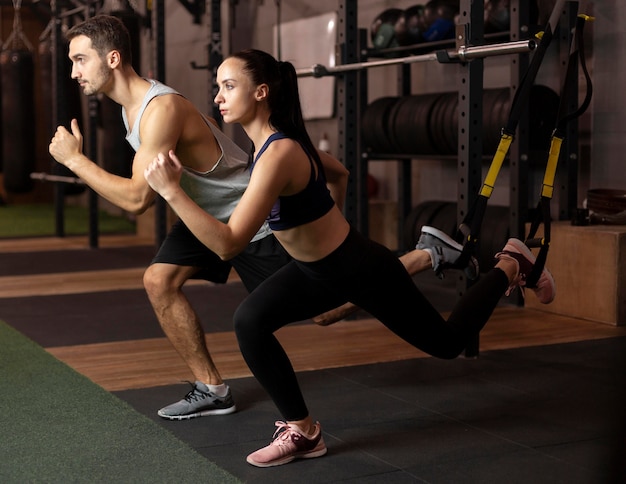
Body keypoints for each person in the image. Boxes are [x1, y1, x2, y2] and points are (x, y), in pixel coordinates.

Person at [143, 48, 556, 468]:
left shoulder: (280, 153)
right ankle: (303, 432)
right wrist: (329, 219)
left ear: (262, 92)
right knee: (250, 321)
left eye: (228, 86)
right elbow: (338, 172)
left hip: (359, 269)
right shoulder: (267, 147)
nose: (217, 96)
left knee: (447, 343)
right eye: (218, 87)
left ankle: (510, 264)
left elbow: (230, 244)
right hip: (314, 271)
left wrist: (172, 191)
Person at [47, 15, 473, 421]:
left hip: (249, 222)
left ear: (113, 58)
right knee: (158, 280)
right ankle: (212, 389)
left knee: (324, 312)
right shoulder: (129, 108)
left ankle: (422, 256)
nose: (73, 72)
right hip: (201, 211)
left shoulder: (160, 110)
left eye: (79, 59)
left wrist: (74, 161)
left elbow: (140, 198)